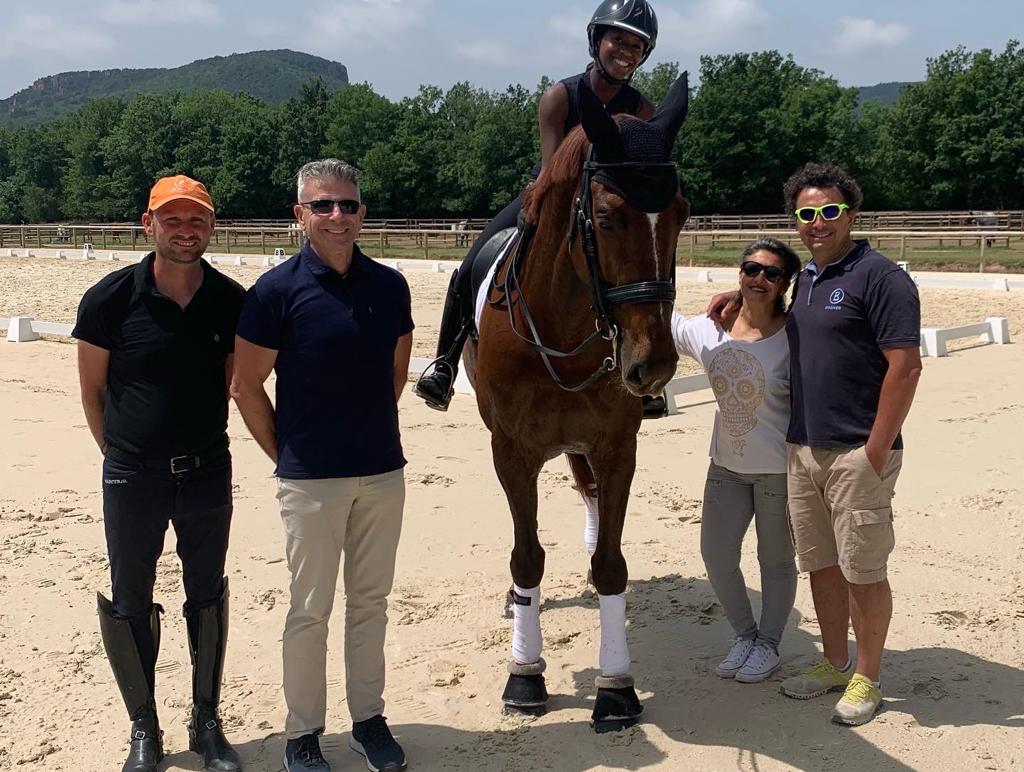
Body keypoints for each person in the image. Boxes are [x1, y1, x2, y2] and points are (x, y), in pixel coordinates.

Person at [710, 163, 922, 725]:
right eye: (807, 214)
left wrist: (875, 450)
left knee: (863, 569)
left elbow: (905, 367)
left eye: (830, 211)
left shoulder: (881, 277)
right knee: (822, 566)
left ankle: (868, 677)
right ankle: (833, 661)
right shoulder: (806, 280)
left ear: (851, 213)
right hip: (801, 449)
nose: (819, 222)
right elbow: (771, 310)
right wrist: (735, 295)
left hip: (857, 451)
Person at [230, 159, 414, 772]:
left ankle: (369, 720)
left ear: (362, 212)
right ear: (300, 214)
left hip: (382, 473)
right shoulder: (274, 292)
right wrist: (286, 452)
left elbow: (394, 373)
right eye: (324, 205)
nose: (338, 216)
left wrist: (360, 432)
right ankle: (302, 732)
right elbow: (246, 385)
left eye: (349, 205)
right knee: (309, 608)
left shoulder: (390, 287)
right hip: (309, 480)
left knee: (372, 601)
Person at [413, 0, 663, 414]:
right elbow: (553, 172)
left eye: (637, 46)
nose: (626, 51)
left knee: (644, 274)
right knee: (472, 262)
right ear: (597, 40)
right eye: (618, 39)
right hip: (552, 193)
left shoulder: (643, 110)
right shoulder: (560, 96)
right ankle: (446, 364)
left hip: (611, 206)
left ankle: (648, 376)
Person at [73, 175, 244, 772]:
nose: (184, 230)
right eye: (171, 219)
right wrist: (122, 458)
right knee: (129, 601)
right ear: (148, 225)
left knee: (207, 595)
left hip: (206, 473)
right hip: (132, 476)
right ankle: (144, 728)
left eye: (196, 219)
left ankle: (206, 722)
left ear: (211, 227)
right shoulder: (108, 300)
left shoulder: (230, 300)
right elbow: (93, 392)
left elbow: (234, 381)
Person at [673, 239, 800, 683]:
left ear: (786, 283)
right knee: (716, 554)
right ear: (739, 271)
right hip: (725, 467)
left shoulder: (795, 334)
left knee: (777, 562)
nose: (759, 279)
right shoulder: (709, 331)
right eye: (751, 269)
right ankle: (745, 635)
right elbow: (655, 315)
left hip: (780, 471)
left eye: (771, 273)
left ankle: (769, 643)